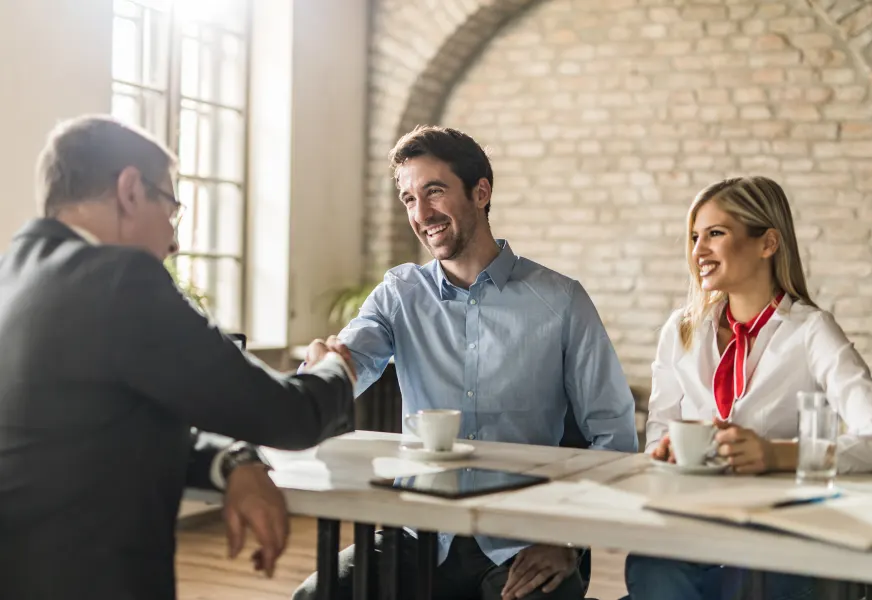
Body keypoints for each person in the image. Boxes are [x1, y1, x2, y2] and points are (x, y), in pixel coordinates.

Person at [0, 115, 357, 600]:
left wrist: (233, 459)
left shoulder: (16, 277)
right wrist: (334, 367)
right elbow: (288, 416)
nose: (174, 239)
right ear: (130, 190)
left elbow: (109, 426)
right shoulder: (118, 280)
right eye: (170, 207)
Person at [294, 125, 637, 600]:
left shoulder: (561, 301)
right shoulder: (399, 294)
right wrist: (325, 369)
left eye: (434, 191)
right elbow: (350, 363)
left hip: (523, 540)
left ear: (481, 192)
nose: (421, 213)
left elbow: (614, 436)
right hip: (416, 531)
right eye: (409, 198)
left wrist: (568, 539)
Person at [624, 176, 872, 600]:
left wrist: (778, 454)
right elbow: (659, 435)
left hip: (779, 533)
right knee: (650, 568)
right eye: (695, 236)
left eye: (716, 234)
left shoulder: (811, 331)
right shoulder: (680, 331)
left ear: (768, 242)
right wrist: (667, 450)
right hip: (690, 523)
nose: (697, 251)